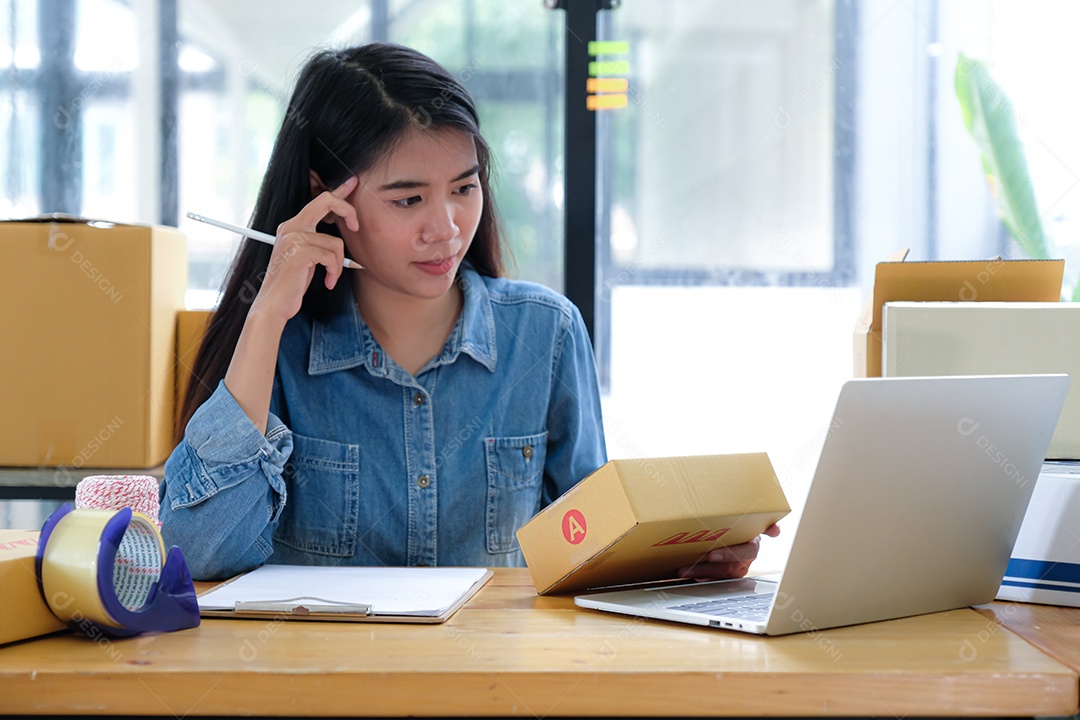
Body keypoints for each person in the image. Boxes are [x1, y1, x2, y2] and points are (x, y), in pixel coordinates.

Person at [160, 42, 775, 582]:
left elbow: (588, 551)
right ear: (328, 200)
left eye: (464, 187)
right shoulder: (281, 347)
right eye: (408, 199)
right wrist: (266, 315)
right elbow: (203, 553)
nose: (448, 228)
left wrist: (680, 559)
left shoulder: (546, 333)